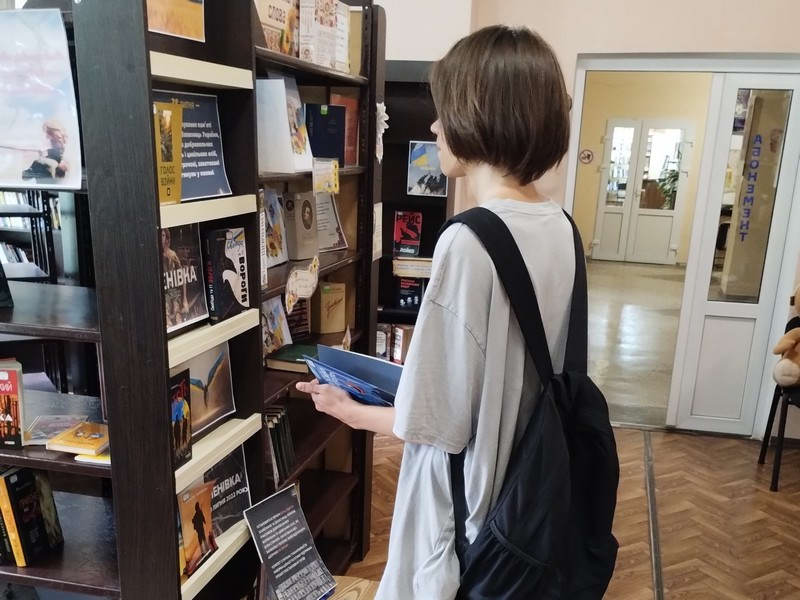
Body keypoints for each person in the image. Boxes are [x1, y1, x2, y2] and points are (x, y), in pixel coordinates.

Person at [297, 25, 574, 599]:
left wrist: (349, 411)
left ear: (479, 115)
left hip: (468, 516)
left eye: (445, 110)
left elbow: (436, 422)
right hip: (530, 501)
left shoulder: (469, 241)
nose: (434, 127)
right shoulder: (560, 226)